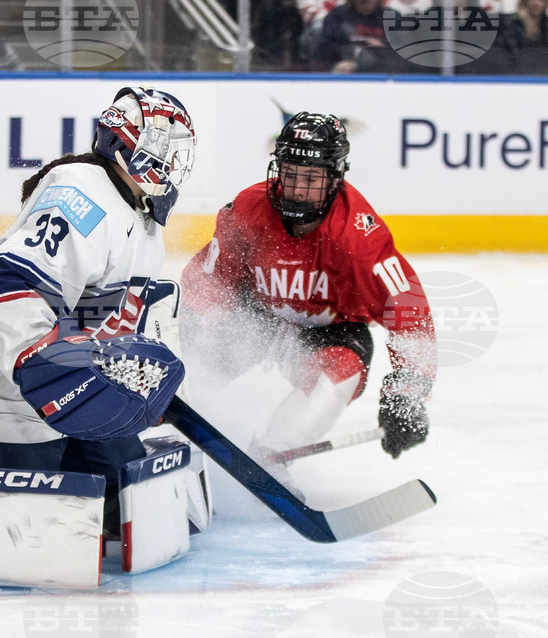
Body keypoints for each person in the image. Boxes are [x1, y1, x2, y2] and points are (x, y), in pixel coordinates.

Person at [0, 87, 197, 537]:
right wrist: (42, 361)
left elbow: (125, 316)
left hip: (79, 396)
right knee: (27, 537)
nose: (173, 162)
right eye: (166, 148)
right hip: (3, 402)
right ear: (131, 144)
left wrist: (142, 384)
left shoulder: (142, 215)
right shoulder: (83, 195)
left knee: (138, 512)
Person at [179, 112, 437, 466]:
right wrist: (190, 326)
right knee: (190, 369)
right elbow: (210, 279)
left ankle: (271, 457)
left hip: (329, 336)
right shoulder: (246, 210)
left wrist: (406, 393)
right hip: (255, 319)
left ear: (335, 178)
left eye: (313, 178)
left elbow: (410, 312)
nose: (298, 190)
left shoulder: (359, 238)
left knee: (337, 377)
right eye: (290, 174)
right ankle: (159, 437)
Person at [314, 0, 388, 72]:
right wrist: (336, 65)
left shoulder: (392, 18)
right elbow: (325, 49)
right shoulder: (337, 16)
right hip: (345, 72)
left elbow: (397, 54)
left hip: (383, 75)